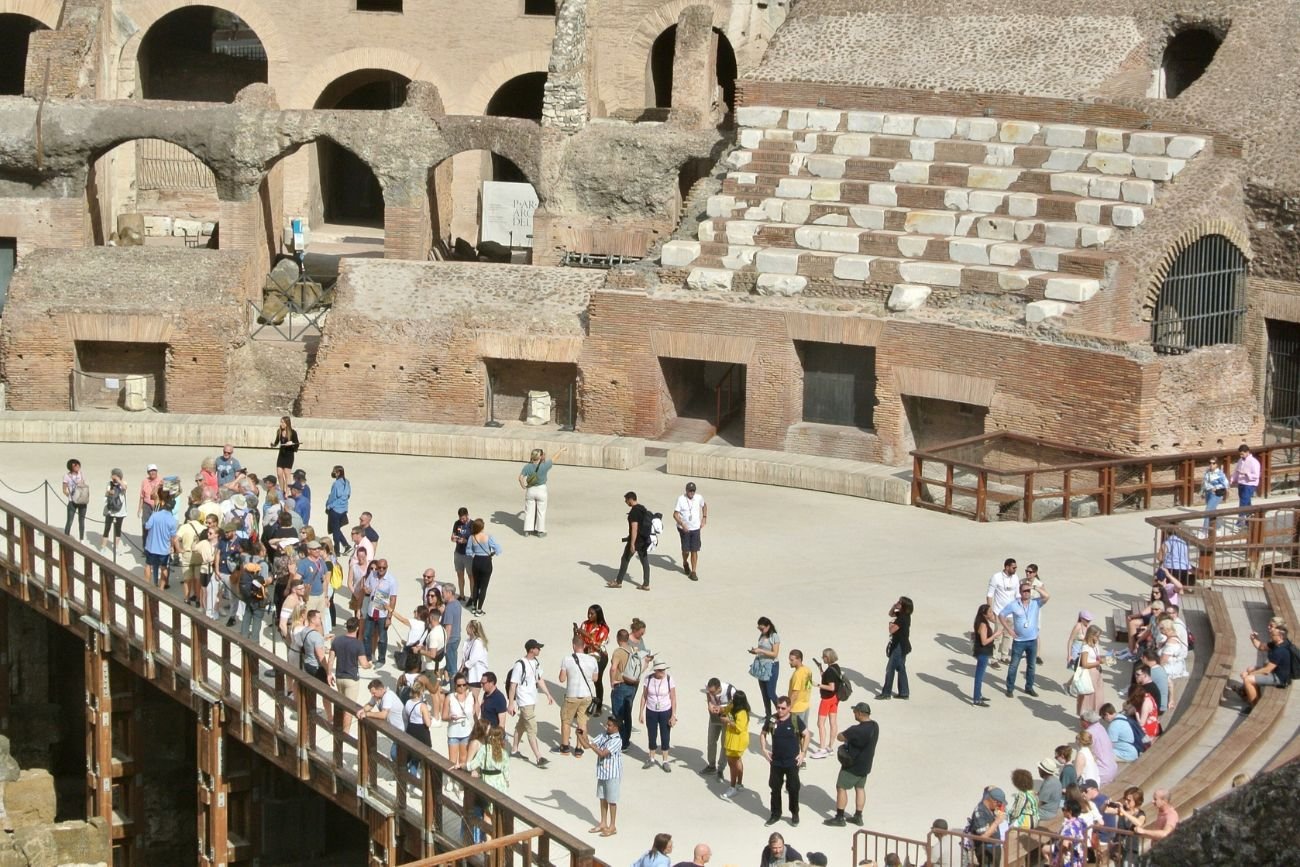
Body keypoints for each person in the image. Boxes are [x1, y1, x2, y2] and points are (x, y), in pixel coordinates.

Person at [823, 701, 878, 827]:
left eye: (855, 712)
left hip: (852, 766)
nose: (854, 714)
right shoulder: (875, 726)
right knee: (860, 788)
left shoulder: (856, 730)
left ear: (860, 713)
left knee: (841, 787)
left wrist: (847, 737)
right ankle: (858, 816)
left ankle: (840, 817)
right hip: (865, 766)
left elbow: (840, 737)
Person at [761, 695, 809, 827]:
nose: (780, 710)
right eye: (778, 707)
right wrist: (764, 749)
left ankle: (794, 814)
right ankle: (775, 814)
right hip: (776, 761)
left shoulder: (795, 719)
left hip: (792, 762)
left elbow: (806, 734)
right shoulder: (772, 719)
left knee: (793, 788)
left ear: (789, 708)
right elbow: (763, 733)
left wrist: (803, 753)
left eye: (783, 708)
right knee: (775, 788)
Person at [508, 639, 556, 766]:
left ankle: (514, 750)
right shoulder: (519, 665)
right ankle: (539, 757)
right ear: (531, 650)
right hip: (524, 700)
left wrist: (548, 694)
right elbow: (513, 685)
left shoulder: (535, 662)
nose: (539, 650)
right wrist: (511, 703)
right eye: (537, 648)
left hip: (531, 699)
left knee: (521, 725)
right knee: (531, 728)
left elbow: (539, 679)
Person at [576, 715, 623, 838]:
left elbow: (602, 753)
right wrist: (580, 735)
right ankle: (603, 823)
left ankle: (612, 826)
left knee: (612, 800)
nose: (606, 726)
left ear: (616, 727)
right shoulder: (603, 735)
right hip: (602, 772)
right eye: (607, 724)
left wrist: (592, 746)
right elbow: (587, 745)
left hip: (612, 774)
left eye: (609, 725)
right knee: (602, 798)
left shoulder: (617, 740)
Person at [1002, 580, 1050, 698]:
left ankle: (1029, 687)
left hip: (1032, 640)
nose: (1027, 593)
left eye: (1028, 591)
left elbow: (1047, 596)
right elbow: (1001, 615)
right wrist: (1009, 630)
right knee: (1014, 665)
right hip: (1019, 641)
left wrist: (1035, 587)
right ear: (1020, 592)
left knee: (1031, 665)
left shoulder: (1035, 603)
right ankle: (1010, 688)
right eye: (1024, 591)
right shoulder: (1014, 604)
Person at [558, 634, 600, 756]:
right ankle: (578, 748)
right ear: (584, 646)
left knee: (566, 721)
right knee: (582, 722)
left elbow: (561, 678)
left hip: (572, 694)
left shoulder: (567, 659)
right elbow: (595, 678)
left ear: (573, 646)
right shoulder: (592, 660)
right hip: (587, 696)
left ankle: (565, 747)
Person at [328, 617, 372, 732]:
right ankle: (345, 734)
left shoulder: (337, 640)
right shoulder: (358, 644)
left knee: (340, 704)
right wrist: (369, 665)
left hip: (339, 677)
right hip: (351, 679)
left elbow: (331, 659)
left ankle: (338, 727)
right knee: (349, 709)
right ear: (357, 628)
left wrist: (329, 673)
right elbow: (363, 664)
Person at [1241, 621, 1293, 710]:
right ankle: (1255, 698)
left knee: (1247, 679)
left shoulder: (1281, 651)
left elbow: (1267, 670)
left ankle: (1254, 708)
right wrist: (1254, 639)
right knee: (1250, 670)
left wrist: (1251, 674)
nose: (1270, 636)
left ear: (1280, 637)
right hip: (1274, 672)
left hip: (1279, 678)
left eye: (1273, 635)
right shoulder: (1277, 644)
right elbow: (1261, 647)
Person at [607, 492, 653, 591]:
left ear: (631, 499)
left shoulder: (634, 512)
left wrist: (632, 544)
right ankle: (646, 584)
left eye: (626, 500)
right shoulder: (642, 508)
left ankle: (618, 582)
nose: (625, 502)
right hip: (644, 540)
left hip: (636, 541)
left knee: (625, 559)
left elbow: (634, 528)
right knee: (645, 562)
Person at [639, 662, 677, 771]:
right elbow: (644, 696)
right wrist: (641, 712)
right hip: (651, 710)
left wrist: (673, 715)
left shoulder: (669, 679)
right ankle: (651, 758)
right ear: (655, 670)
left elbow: (673, 698)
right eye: (660, 670)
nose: (663, 672)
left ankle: (665, 761)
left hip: (665, 710)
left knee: (665, 735)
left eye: (664, 669)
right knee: (652, 734)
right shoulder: (648, 679)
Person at [519, 446, 565, 537]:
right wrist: (561, 450)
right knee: (541, 511)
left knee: (529, 511)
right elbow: (554, 458)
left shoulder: (527, 466)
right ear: (540, 457)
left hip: (531, 490)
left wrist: (523, 486)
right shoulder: (545, 465)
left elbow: (520, 478)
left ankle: (527, 530)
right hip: (541, 490)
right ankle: (540, 531)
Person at [576, 604, 611, 714]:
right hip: (586, 655)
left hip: (599, 657)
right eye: (588, 613)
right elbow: (579, 639)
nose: (589, 615)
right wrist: (577, 633)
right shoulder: (585, 624)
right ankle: (585, 704)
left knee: (597, 680)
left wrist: (584, 634)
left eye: (592, 614)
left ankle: (599, 706)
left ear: (598, 615)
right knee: (583, 680)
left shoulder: (604, 628)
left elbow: (597, 645)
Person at [363, 559, 398, 666]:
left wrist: (389, 617)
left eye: (384, 568)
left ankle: (381, 659)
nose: (381, 570)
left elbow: (393, 599)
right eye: (379, 568)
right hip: (371, 609)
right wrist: (366, 590)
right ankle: (368, 656)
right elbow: (366, 586)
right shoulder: (372, 575)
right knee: (366, 635)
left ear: (387, 567)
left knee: (382, 638)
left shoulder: (391, 580)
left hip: (383, 612)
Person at [877, 597, 913, 700]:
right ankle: (904, 692)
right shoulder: (904, 615)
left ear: (904, 605)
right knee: (901, 668)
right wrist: (894, 607)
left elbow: (892, 630)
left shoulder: (902, 618)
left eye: (899, 602)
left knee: (890, 668)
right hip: (904, 646)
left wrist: (891, 624)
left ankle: (886, 693)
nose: (897, 603)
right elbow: (891, 614)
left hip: (899, 647)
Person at [986, 558, 1019, 666]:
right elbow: (990, 595)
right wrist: (989, 610)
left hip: (1011, 612)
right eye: (1013, 567)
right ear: (1007, 567)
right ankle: (993, 657)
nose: (1015, 569)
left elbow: (1017, 594)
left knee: (1008, 635)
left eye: (1016, 567)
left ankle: (1004, 656)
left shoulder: (1015, 577)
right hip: (999, 611)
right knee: (997, 635)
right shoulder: (996, 577)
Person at [465, 519, 502, 616]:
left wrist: (474, 555)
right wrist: (493, 553)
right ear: (482, 527)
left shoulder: (472, 537)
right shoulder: (488, 536)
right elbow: (498, 549)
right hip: (486, 561)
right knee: (484, 587)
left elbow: (468, 551)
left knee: (476, 585)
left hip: (476, 561)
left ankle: (473, 606)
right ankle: (479, 610)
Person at [812, 648, 844, 757]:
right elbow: (828, 678)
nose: (822, 658)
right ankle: (830, 747)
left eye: (824, 656)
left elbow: (831, 687)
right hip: (835, 698)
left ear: (828, 657)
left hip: (827, 699)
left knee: (820, 723)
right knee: (833, 722)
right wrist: (820, 668)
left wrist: (817, 685)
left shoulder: (830, 671)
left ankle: (821, 749)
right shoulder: (836, 668)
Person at [672, 481, 706, 581]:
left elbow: (704, 505)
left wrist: (704, 517)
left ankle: (693, 571)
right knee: (686, 550)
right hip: (684, 529)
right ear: (686, 490)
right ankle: (685, 562)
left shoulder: (699, 498)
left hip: (695, 528)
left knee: (694, 550)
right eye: (690, 491)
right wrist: (682, 524)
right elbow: (675, 514)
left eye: (693, 491)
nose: (691, 492)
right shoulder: (681, 499)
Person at [144, 492, 179, 588]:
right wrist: (172, 547)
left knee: (148, 565)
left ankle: (146, 586)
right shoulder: (172, 520)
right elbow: (173, 537)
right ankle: (161, 589)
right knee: (164, 567)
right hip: (164, 549)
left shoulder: (155, 515)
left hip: (151, 547)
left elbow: (147, 526)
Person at [720, 689, 751, 798]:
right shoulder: (733, 706)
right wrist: (719, 709)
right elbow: (725, 710)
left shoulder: (742, 713)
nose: (732, 700)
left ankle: (732, 787)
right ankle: (739, 784)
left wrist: (727, 721)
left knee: (732, 764)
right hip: (733, 739)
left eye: (734, 699)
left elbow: (739, 728)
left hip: (736, 741)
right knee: (738, 761)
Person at [965, 786, 1006, 867]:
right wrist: (996, 822)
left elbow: (988, 790)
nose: (1000, 806)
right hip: (986, 850)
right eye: (999, 803)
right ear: (993, 801)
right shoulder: (979, 812)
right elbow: (983, 836)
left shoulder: (992, 808)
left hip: (995, 847)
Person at [750, 617, 782, 721]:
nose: (760, 630)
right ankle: (768, 714)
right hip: (761, 665)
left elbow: (775, 653)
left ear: (768, 626)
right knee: (764, 692)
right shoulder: (762, 635)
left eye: (762, 628)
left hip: (771, 666)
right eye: (759, 629)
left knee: (771, 692)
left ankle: (782, 713)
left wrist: (760, 650)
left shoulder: (774, 636)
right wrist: (756, 651)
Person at [704, 677, 736, 777]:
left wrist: (722, 709)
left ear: (719, 688)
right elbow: (708, 696)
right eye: (710, 691)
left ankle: (721, 768)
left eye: (713, 692)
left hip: (727, 718)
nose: (711, 693)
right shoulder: (709, 688)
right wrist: (709, 704)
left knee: (724, 744)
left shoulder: (731, 690)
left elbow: (736, 705)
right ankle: (711, 765)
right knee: (711, 740)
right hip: (714, 717)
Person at [445, 673, 478, 769]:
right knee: (452, 761)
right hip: (453, 732)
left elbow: (476, 713)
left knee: (463, 760)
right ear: (455, 685)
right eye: (459, 685)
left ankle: (459, 783)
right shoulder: (450, 697)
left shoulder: (471, 696)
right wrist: (450, 717)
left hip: (467, 732)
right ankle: (451, 781)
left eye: (464, 685)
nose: (462, 687)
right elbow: (444, 716)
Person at [971, 603, 1000, 706]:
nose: (992, 614)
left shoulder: (981, 621)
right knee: (979, 676)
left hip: (983, 652)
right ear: (984, 614)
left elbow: (996, 620)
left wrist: (996, 617)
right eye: (990, 612)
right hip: (983, 652)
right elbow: (984, 641)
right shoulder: (983, 625)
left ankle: (978, 695)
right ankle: (976, 699)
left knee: (980, 675)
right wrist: (995, 635)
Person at [1075, 625, 1106, 715]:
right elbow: (1084, 664)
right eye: (1097, 636)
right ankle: (1085, 717)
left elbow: (1097, 657)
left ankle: (1094, 715)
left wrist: (1104, 659)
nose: (1098, 638)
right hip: (1089, 674)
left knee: (1098, 696)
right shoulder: (1085, 647)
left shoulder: (1095, 645)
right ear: (1091, 635)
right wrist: (1098, 663)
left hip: (1097, 673)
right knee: (1088, 698)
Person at [786, 650, 815, 733]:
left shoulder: (797, 674)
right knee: (804, 731)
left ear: (799, 660)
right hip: (805, 705)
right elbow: (808, 686)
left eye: (792, 660)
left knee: (796, 732)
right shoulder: (808, 670)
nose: (789, 662)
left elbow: (795, 693)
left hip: (796, 708)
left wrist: (788, 708)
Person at [270, 416, 300, 490]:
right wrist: (273, 445)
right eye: (281, 422)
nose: (281, 424)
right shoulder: (279, 431)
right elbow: (277, 441)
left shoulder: (293, 432)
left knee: (287, 474)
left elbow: (297, 443)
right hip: (281, 454)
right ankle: (283, 489)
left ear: (287, 423)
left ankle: (288, 491)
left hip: (289, 454)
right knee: (279, 474)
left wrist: (291, 443)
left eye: (283, 422)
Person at [62, 458, 89, 541]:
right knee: (70, 520)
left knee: (81, 521)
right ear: (71, 467)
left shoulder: (81, 474)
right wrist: (70, 496)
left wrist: (81, 483)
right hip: (72, 501)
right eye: (75, 465)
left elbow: (84, 485)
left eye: (78, 464)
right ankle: (66, 537)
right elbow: (64, 489)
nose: (77, 466)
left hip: (82, 500)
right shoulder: (67, 476)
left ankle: (81, 539)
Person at [1230, 443, 1261, 516]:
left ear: (1247, 452)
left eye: (1242, 454)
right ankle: (1250, 520)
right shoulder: (1240, 460)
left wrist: (1247, 474)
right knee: (1247, 503)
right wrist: (1232, 479)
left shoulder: (1254, 462)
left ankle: (1240, 522)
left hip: (1249, 485)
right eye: (1240, 454)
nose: (1241, 456)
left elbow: (1256, 475)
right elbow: (1237, 471)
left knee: (1243, 502)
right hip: (1241, 483)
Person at [1201, 457, 1230, 533]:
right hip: (1208, 493)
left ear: (1217, 464)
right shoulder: (1207, 472)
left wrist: (1217, 488)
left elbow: (1226, 484)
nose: (1211, 465)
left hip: (1216, 494)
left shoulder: (1220, 474)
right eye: (1210, 463)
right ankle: (1216, 528)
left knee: (1207, 511)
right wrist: (1202, 492)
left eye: (1213, 463)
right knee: (1212, 511)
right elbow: (1204, 483)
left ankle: (1204, 531)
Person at [462, 620, 490, 697]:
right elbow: (465, 657)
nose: (466, 628)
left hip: (476, 675)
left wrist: (464, 666)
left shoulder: (478, 643)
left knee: (474, 699)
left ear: (472, 629)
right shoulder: (468, 641)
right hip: (469, 674)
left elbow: (472, 660)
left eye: (468, 626)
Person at [137, 464, 163, 545]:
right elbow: (141, 496)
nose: (152, 472)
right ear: (148, 472)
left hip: (158, 506)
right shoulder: (144, 481)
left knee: (157, 527)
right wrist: (139, 509)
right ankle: (145, 547)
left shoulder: (161, 481)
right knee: (145, 526)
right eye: (151, 471)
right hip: (146, 506)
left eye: (154, 470)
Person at [451, 507, 473, 599]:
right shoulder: (457, 523)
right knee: (460, 574)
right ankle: (462, 595)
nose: (462, 520)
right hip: (458, 553)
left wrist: (466, 541)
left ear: (467, 515)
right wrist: (454, 538)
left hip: (468, 554)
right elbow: (453, 535)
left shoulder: (472, 524)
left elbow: (475, 539)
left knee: (471, 576)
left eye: (463, 518)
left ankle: (472, 596)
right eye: (460, 518)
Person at [442, 583, 464, 675]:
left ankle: (453, 686)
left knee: (452, 667)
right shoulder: (457, 604)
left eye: (443, 592)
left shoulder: (449, 608)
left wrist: (445, 644)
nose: (442, 594)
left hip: (450, 640)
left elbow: (448, 627)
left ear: (449, 593)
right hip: (456, 637)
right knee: (451, 662)